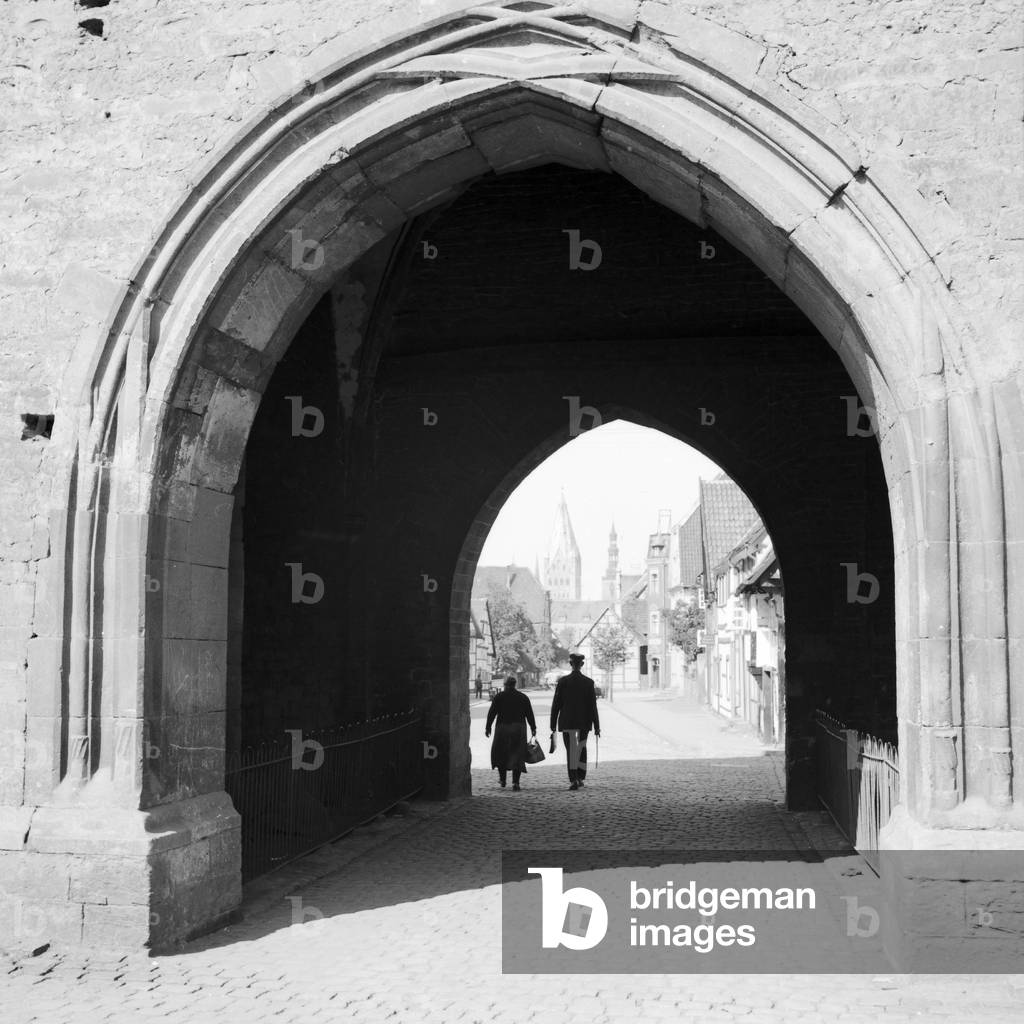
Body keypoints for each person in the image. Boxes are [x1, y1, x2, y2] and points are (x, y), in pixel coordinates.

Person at [550, 653, 601, 790]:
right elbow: (592, 706)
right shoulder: (588, 682)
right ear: (582, 664)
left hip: (568, 722)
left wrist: (552, 724)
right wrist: (597, 726)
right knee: (581, 748)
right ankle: (580, 777)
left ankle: (573, 779)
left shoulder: (562, 682)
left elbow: (556, 704)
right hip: (584, 722)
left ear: (571, 664)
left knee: (571, 750)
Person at [485, 675, 537, 791]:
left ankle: (503, 779)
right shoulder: (523, 697)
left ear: (505, 685)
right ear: (515, 685)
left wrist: (488, 727)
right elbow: (529, 714)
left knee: (501, 753)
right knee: (517, 754)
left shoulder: (499, 697)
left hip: (502, 728)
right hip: (518, 728)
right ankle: (515, 782)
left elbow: (492, 713)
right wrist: (533, 727)